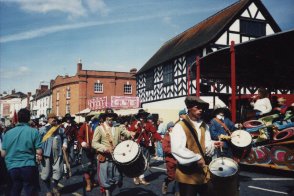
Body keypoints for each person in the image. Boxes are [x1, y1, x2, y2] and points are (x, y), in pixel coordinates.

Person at [170, 96, 223, 196]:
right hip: (187, 175)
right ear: (189, 108)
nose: (200, 110)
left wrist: (212, 144)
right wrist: (196, 158)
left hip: (203, 173)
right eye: (197, 107)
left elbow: (205, 143)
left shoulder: (204, 125)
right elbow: (177, 149)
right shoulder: (180, 126)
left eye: (202, 108)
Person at [92, 108, 134, 196]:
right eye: (108, 116)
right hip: (104, 158)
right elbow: (94, 143)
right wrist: (104, 148)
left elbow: (126, 132)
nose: (110, 118)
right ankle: (107, 193)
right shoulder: (99, 128)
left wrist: (131, 133)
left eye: (111, 116)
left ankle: (109, 189)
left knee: (117, 177)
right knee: (105, 179)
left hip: (116, 158)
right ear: (105, 117)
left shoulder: (118, 127)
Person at [1, 108, 43, 196]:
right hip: (28, 166)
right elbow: (39, 151)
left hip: (12, 167)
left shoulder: (8, 133)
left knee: (14, 192)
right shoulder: (34, 132)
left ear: (18, 118)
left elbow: (3, 154)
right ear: (29, 118)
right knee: (30, 192)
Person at [129, 110, 162, 185]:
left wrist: (161, 139)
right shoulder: (135, 123)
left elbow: (154, 132)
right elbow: (130, 132)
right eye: (141, 116)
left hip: (145, 145)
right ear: (139, 116)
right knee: (137, 162)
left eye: (143, 116)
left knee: (144, 162)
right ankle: (135, 177)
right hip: (137, 145)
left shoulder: (148, 124)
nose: (142, 117)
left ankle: (141, 178)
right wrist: (135, 127)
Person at [39, 113, 67, 196]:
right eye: (51, 118)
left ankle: (55, 187)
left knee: (58, 171)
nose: (53, 119)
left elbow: (64, 137)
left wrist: (65, 144)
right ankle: (48, 190)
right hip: (45, 154)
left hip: (58, 154)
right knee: (46, 173)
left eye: (54, 118)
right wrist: (38, 153)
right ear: (48, 119)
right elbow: (38, 141)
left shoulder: (60, 129)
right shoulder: (42, 129)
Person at [77, 114, 97, 192]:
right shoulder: (84, 126)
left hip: (95, 149)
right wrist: (82, 142)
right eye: (91, 118)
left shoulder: (97, 126)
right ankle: (88, 183)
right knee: (86, 168)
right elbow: (79, 136)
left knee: (95, 167)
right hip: (86, 149)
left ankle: (92, 179)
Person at [162, 121, 179, 196]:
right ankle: (166, 182)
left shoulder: (177, 136)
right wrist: (174, 150)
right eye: (172, 127)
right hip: (170, 160)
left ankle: (177, 191)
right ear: (169, 129)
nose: (174, 128)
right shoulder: (166, 137)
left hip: (178, 159)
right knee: (171, 177)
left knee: (179, 176)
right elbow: (165, 148)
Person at [62, 113, 79, 177]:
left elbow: (76, 136)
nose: (68, 120)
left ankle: (68, 166)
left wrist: (75, 146)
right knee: (64, 158)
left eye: (69, 119)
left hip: (71, 143)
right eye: (67, 119)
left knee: (72, 157)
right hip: (64, 143)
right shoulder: (62, 126)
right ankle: (65, 171)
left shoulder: (73, 126)